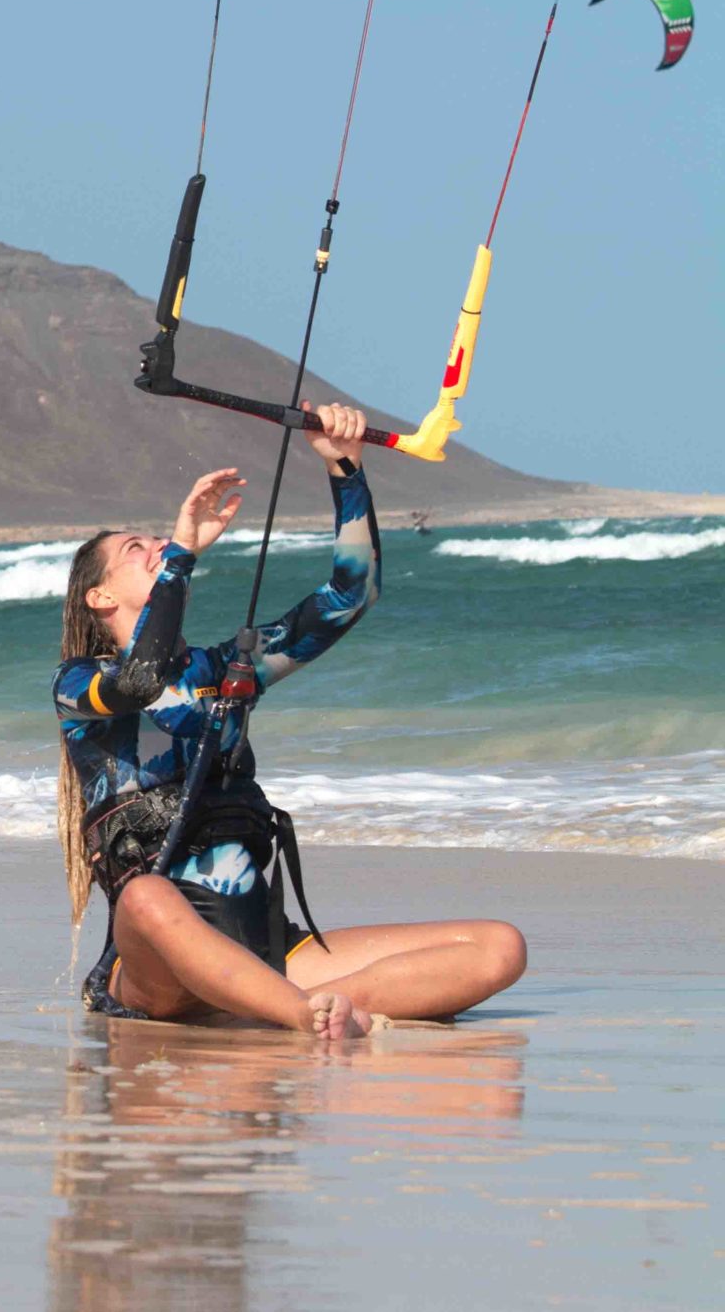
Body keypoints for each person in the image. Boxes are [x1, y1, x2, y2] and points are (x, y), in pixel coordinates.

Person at [53, 404, 525, 1039]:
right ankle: (299, 1015)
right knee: (144, 897)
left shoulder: (227, 672)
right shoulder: (79, 687)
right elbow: (141, 681)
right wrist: (184, 553)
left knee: (498, 947)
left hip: (269, 950)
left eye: (158, 543)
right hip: (158, 968)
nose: (159, 547)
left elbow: (351, 595)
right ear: (100, 597)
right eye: (138, 549)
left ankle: (280, 1006)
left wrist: (343, 466)